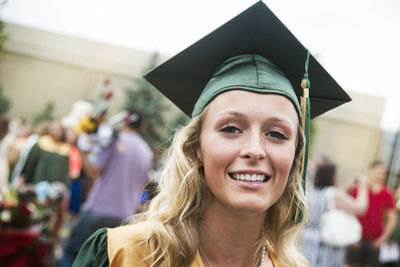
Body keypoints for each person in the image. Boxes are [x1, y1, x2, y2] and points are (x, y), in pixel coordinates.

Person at [73, 2, 351, 266]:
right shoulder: (122, 256)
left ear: (295, 156)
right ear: (197, 147)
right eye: (231, 128)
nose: (255, 149)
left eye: (277, 134)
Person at [58, 109, 153, 267]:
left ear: (124, 121)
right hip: (124, 217)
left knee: (72, 254)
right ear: (142, 127)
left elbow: (94, 171)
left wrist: (78, 149)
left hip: (99, 209)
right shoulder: (147, 152)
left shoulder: (113, 140)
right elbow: (144, 186)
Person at [302, 162, 368, 267]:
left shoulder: (311, 192)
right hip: (326, 246)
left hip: (306, 242)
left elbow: (334, 198)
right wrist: (363, 186)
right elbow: (360, 208)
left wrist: (347, 184)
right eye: (337, 174)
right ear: (331, 176)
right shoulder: (333, 194)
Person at [346, 161, 397, 267]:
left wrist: (382, 239)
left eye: (383, 173)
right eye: (378, 172)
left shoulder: (387, 193)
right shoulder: (358, 189)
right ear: (371, 171)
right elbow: (348, 213)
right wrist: (351, 236)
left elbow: (392, 220)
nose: (381, 175)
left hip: (374, 242)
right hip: (356, 240)